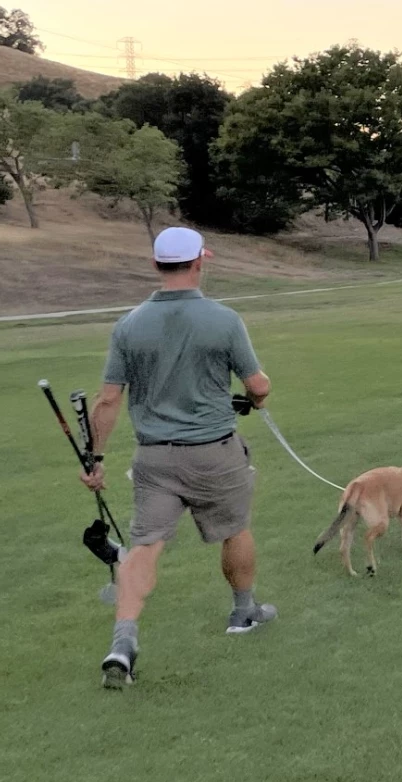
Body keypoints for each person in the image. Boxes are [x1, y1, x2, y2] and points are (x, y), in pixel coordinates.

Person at [81, 227, 276, 689]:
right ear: (198, 263)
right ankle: (243, 611)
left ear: (156, 265)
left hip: (154, 458)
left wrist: (95, 457)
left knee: (145, 547)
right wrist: (257, 394)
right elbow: (259, 386)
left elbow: (108, 401)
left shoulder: (129, 324)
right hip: (215, 453)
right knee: (235, 529)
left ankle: (123, 641)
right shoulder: (224, 320)